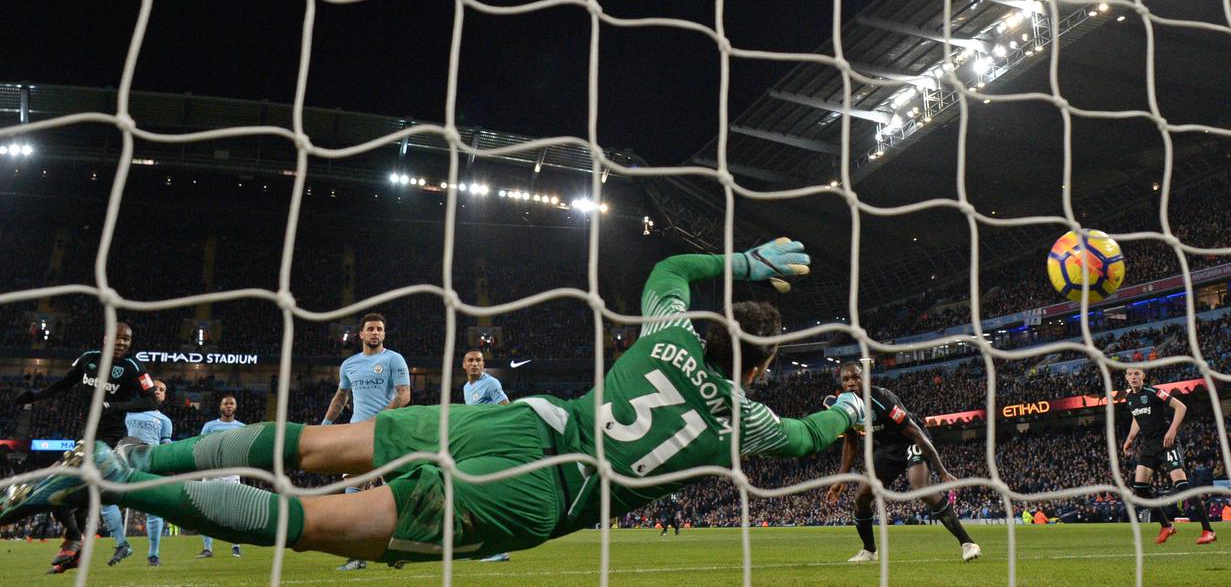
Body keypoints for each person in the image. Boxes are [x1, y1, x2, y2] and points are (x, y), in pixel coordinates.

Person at [2, 239, 866, 567]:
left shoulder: (667, 338)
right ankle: (113, 490)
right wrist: (853, 412)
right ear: (753, 368)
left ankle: (137, 462)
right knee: (312, 523)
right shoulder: (741, 418)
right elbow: (804, 434)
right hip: (538, 492)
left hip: (524, 421)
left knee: (311, 445)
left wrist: (745, 265)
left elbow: (668, 273)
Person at [12, 322, 157, 573]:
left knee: (61, 487)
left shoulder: (133, 367)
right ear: (106, 337)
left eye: (127, 340)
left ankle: (73, 539)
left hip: (109, 442)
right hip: (85, 436)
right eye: (118, 338)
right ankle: (74, 545)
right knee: (72, 496)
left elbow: (152, 400)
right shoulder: (88, 360)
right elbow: (63, 385)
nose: (122, 343)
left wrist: (115, 407)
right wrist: (34, 396)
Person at [825, 361, 980, 563]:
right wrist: (841, 479)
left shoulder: (881, 399)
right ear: (841, 385)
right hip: (887, 448)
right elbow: (850, 443)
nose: (851, 382)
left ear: (864, 379)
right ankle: (869, 551)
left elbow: (916, 433)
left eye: (856, 377)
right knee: (861, 496)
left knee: (920, 486)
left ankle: (968, 543)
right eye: (846, 379)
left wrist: (941, 471)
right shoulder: (846, 408)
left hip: (910, 442)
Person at [322, 312, 411, 570]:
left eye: (380, 329)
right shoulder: (349, 364)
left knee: (395, 493)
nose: (375, 333)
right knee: (353, 494)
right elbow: (341, 398)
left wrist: (380, 418)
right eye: (371, 328)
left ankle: (399, 549)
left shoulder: (394, 359)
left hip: (388, 433)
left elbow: (404, 396)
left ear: (384, 334)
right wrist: (325, 426)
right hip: (357, 434)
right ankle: (357, 556)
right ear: (361, 334)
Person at [1121, 367, 1216, 545]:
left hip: (1167, 443)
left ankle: (1208, 530)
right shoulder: (1129, 398)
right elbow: (1137, 417)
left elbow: (1181, 407)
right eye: (1130, 374)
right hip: (1150, 446)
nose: (1133, 377)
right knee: (1139, 486)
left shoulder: (1154, 392)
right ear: (1126, 378)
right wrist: (1130, 438)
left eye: (1136, 374)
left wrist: (1172, 431)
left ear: (1143, 376)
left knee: (1182, 485)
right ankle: (1166, 526)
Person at [462, 348, 512, 561]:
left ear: (483, 364)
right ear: (464, 365)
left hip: (492, 447)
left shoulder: (491, 384)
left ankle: (500, 549)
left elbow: (506, 409)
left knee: (489, 496)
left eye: (479, 361)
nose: (475, 364)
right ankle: (481, 547)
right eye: (471, 360)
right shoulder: (467, 387)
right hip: (477, 447)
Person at [124, 380, 173, 567]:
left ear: (164, 396)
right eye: (157, 388)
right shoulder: (128, 410)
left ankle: (153, 554)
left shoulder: (165, 421)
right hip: (125, 463)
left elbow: (166, 447)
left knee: (153, 510)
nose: (159, 391)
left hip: (151, 465)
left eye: (163, 390)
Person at [195, 395, 246, 559]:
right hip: (211, 472)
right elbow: (200, 445)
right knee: (205, 511)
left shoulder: (242, 427)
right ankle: (207, 548)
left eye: (232, 403)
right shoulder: (210, 426)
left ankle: (236, 546)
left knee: (234, 511)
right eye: (226, 403)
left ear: (236, 407)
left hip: (231, 473)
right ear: (221, 407)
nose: (229, 406)